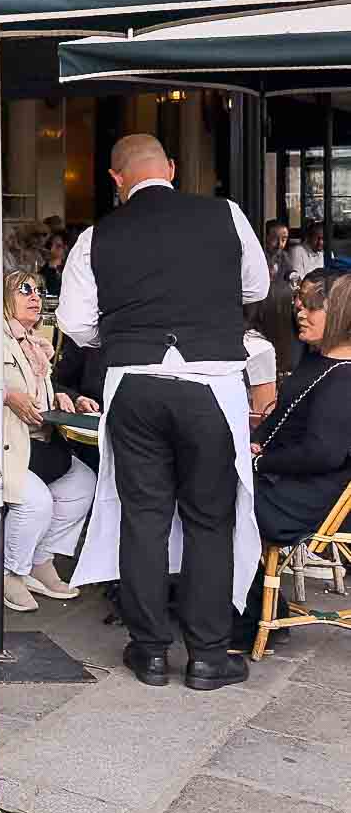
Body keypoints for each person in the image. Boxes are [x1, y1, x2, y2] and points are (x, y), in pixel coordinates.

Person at [60, 134, 270, 691]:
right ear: (172, 168)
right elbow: (256, 286)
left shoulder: (96, 235)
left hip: (133, 384)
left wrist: (127, 337)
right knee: (210, 519)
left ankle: (150, 651)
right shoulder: (226, 214)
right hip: (212, 382)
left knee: (144, 516)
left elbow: (75, 324)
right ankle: (208, 655)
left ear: (116, 178)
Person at [0, 271, 97, 613]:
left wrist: (63, 397)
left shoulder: (33, 342)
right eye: (25, 290)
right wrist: (5, 397)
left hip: (33, 444)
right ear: (4, 298)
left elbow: (35, 395)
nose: (35, 297)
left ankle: (39, 560)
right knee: (36, 502)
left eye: (38, 290)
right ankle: (9, 573)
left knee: (82, 484)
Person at [235, 272, 351, 650]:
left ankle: (251, 618)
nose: (300, 311)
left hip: (306, 499)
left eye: (313, 305)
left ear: (342, 313)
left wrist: (261, 462)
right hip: (285, 482)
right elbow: (279, 419)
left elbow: (323, 452)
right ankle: (252, 609)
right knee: (203, 489)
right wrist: (255, 444)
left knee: (209, 500)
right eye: (300, 303)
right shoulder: (316, 360)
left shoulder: (345, 377)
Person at [263, 219, 292, 284]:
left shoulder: (284, 256)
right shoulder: (259, 256)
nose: (280, 244)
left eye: (283, 239)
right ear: (265, 237)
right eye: (274, 238)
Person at [40, 232, 67, 298]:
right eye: (51, 245)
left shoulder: (70, 270)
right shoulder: (43, 273)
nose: (54, 248)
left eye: (58, 246)